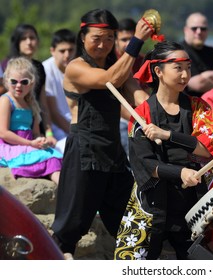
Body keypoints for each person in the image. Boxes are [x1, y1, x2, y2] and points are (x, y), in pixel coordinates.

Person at [50, 9, 153, 260]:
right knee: (68, 229)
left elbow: (139, 100)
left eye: (109, 38)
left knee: (129, 222)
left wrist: (158, 116)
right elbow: (109, 79)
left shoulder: (119, 68)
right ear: (83, 37)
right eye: (97, 37)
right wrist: (137, 41)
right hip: (84, 153)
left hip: (113, 154)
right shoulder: (76, 67)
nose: (103, 44)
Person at [114, 41, 213, 260]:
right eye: (178, 68)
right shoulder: (141, 115)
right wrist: (180, 173)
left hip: (196, 200)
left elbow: (207, 149)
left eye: (188, 67)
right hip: (153, 200)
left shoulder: (199, 106)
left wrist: (167, 135)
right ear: (159, 71)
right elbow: (145, 164)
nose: (185, 74)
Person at [0, 57, 62, 184]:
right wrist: (30, 144)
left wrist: (41, 140)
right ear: (6, 81)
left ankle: (66, 193)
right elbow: (3, 133)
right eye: (14, 81)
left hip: (28, 145)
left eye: (24, 82)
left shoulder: (30, 104)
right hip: (9, 146)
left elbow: (35, 134)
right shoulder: (6, 100)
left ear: (31, 84)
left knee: (56, 156)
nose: (18, 85)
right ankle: (66, 194)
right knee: (50, 158)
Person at [1, 24, 57, 147]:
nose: (29, 42)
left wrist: (48, 133)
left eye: (32, 38)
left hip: (34, 122)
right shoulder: (6, 65)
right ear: (17, 42)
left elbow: (43, 103)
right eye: (24, 38)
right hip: (11, 128)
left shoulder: (39, 67)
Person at [115, 17, 149, 157]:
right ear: (116, 40)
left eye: (132, 39)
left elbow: (145, 92)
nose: (129, 44)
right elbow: (118, 105)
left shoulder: (143, 60)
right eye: (124, 40)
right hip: (122, 119)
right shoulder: (112, 62)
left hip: (142, 117)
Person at [43, 29, 76, 153]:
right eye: (62, 51)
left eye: (71, 50)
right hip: (57, 130)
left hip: (74, 125)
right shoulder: (46, 70)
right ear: (52, 51)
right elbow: (53, 113)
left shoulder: (77, 67)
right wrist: (76, 133)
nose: (67, 55)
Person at [182, 12, 213, 97]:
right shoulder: (179, 52)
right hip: (187, 106)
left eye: (203, 28)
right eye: (194, 28)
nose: (199, 31)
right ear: (185, 30)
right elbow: (198, 84)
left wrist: (207, 75)